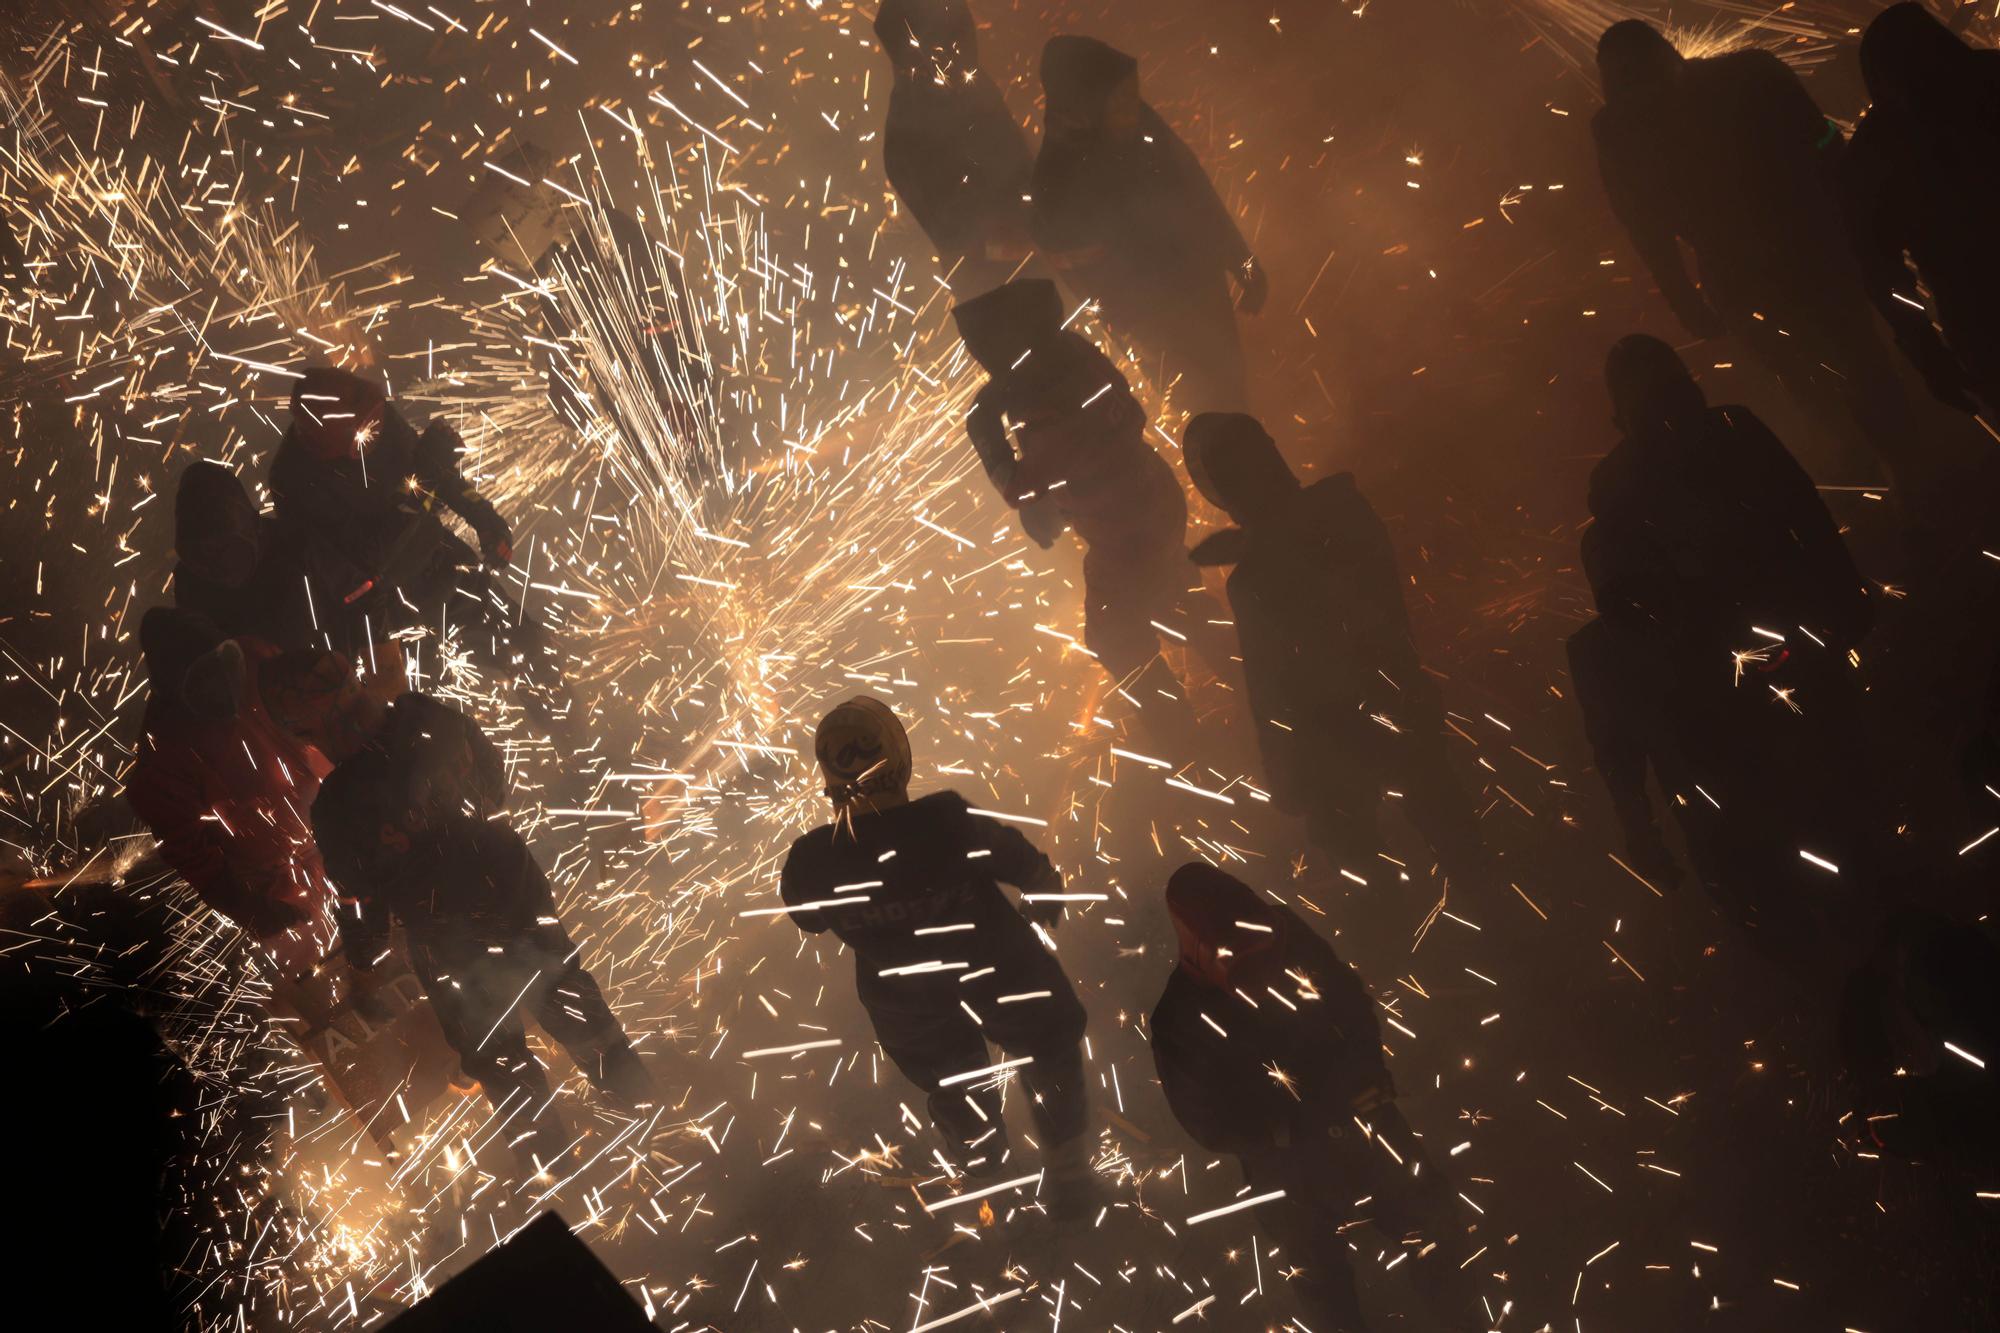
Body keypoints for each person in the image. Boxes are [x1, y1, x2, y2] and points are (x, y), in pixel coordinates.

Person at [1571, 337, 1885, 969]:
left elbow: (1803, 510)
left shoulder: (1642, 479)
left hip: (1759, 666)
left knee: (1818, 820)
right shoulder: (1714, 441)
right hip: (1738, 677)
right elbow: (1807, 512)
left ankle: (1848, 940)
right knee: (1809, 821)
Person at [258, 649, 653, 1140]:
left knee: (493, 1050)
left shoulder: (339, 806)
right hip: (512, 879)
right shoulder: (424, 714)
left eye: (308, 734)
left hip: (445, 933)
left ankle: (550, 1161)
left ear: (321, 722)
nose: (312, 745)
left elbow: (359, 902)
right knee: (568, 995)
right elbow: (492, 777)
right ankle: (647, 1111)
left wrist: (362, 964)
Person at [777, 696, 1096, 1212]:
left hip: (909, 1004)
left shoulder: (814, 860)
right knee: (1049, 1050)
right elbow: (1021, 862)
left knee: (956, 1088)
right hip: (1006, 971)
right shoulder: (945, 819)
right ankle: (1072, 1174)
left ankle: (992, 1190)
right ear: (899, 760)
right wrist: (1043, 891)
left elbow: (808, 918)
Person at [1149, 863, 1481, 1330]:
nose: (1270, 968)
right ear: (1208, 957)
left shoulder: (1283, 930)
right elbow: (1209, 1125)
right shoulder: (1178, 1021)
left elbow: (1347, 997)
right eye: (1251, 962)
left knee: (1434, 1229)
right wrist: (1293, 1126)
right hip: (1286, 1169)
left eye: (1270, 949)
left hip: (1364, 1122)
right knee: (1322, 1284)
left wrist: (1367, 1068)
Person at [1592, 20, 1919, 488]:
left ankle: (1896, 467)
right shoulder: (1741, 76)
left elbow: (1824, 144)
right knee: (1835, 369)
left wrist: (1684, 296)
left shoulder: (1628, 124)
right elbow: (1825, 142)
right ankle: (1891, 467)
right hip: (1780, 260)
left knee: (1844, 366)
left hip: (1790, 256)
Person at [1184, 412, 1489, 886]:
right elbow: (1307, 531)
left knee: (1357, 862)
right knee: (1453, 828)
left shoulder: (1254, 582)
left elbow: (1270, 691)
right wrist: (1255, 541)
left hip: (1333, 739)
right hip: (1402, 696)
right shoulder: (1348, 508)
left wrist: (1286, 780)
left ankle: (1392, 922)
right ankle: (1495, 906)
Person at [954, 278, 1202, 698]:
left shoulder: (1049, 412)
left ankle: (1185, 744)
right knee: (1169, 596)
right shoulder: (1070, 349)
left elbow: (1018, 488)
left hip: (1125, 538)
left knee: (1116, 640)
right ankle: (1233, 652)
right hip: (1156, 498)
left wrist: (982, 425)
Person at [1030, 35, 1267, 415]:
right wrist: (1153, 339)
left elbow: (1194, 187)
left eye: (1132, 94)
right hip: (1156, 328)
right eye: (1119, 100)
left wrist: (1242, 261)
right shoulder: (1054, 184)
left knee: (1235, 394)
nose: (1132, 107)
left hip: (1202, 288)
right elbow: (1096, 287)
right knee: (1209, 410)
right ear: (1084, 106)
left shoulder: (1137, 121)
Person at [124, 608, 340, 982]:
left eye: (224, 665)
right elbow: (194, 859)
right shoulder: (162, 759)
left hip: (337, 824)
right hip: (280, 884)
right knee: (323, 981)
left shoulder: (256, 655)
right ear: (174, 689)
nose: (224, 685)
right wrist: (251, 909)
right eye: (205, 681)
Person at [271, 367, 514, 642]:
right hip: (403, 606)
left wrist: (485, 518)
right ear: (328, 444)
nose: (375, 433)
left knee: (523, 638)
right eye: (363, 432)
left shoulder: (373, 415)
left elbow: (433, 471)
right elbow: (369, 564)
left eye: (376, 417)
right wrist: (425, 473)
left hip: (441, 554)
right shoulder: (295, 483)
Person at [1846, 4, 2000, 420]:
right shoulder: (1992, 78)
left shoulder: (1875, 148)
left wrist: (1929, 357)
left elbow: (1881, 271)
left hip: (1980, 323)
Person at [872, 0, 1038, 294]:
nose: (963, 51)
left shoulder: (967, 83)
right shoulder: (907, 139)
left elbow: (1013, 156)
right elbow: (953, 235)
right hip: (996, 292)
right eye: (951, 41)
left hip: (1037, 252)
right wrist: (1004, 245)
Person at [170, 460, 321, 650]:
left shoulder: (295, 547)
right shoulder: (189, 582)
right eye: (204, 553)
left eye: (224, 549)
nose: (218, 565)